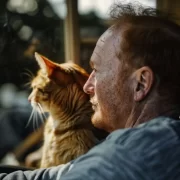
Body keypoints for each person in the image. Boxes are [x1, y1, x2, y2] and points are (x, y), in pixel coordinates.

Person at [1, 2, 180, 179]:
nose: (87, 86)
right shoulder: (124, 143)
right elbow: (56, 174)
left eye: (97, 71)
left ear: (141, 84)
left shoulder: (143, 150)